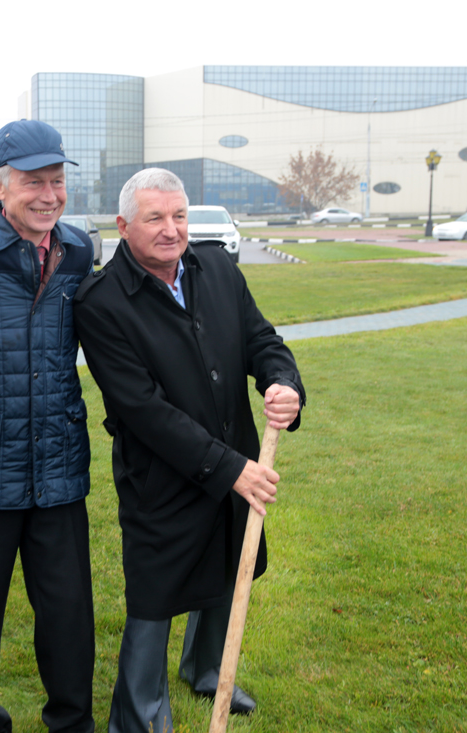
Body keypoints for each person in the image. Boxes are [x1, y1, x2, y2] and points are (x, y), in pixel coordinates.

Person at [72, 168, 306, 732]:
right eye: (154, 218)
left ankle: (207, 671)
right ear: (124, 225)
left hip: (235, 454)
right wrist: (230, 470)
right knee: (154, 596)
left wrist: (283, 382)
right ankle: (140, 714)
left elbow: (261, 339)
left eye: (179, 216)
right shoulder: (100, 302)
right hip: (160, 479)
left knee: (227, 565)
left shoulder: (217, 267)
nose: (171, 229)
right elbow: (142, 409)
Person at [0, 119, 96, 733]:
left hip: (59, 468)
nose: (49, 195)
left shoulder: (79, 251)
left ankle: (72, 723)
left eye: (57, 181)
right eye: (34, 182)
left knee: (69, 614)